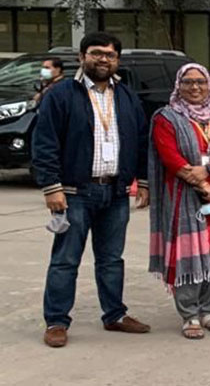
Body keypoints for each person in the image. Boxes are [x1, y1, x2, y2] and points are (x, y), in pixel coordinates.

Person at [32, 32, 151, 348]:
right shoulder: (61, 95)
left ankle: (114, 314)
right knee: (66, 259)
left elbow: (140, 140)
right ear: (82, 56)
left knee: (112, 259)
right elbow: (44, 142)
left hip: (115, 192)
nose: (103, 59)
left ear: (117, 60)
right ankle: (57, 321)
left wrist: (144, 180)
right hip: (73, 192)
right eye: (96, 53)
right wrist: (51, 187)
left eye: (110, 55)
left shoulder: (126, 96)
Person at [149, 64, 210, 340]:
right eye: (188, 82)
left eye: (201, 82)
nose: (195, 87)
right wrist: (201, 184)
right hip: (183, 194)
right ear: (179, 85)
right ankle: (189, 315)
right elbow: (170, 157)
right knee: (188, 252)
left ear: (209, 84)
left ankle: (208, 310)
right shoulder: (167, 118)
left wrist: (209, 172)